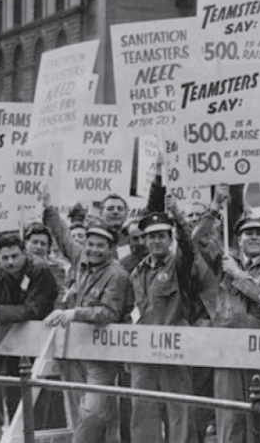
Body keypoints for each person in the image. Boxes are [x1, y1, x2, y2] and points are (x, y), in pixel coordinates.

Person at [44, 189, 131, 443]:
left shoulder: (117, 275)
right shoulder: (81, 257)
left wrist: (73, 313)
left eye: (100, 246)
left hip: (100, 354)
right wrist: (49, 207)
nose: (93, 250)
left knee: (92, 412)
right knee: (81, 410)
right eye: (90, 244)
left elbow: (109, 312)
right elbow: (62, 235)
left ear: (111, 248)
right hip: (74, 351)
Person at [194, 211, 260, 443]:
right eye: (247, 233)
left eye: (259, 233)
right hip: (227, 351)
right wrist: (213, 208)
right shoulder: (223, 262)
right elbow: (198, 239)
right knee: (229, 417)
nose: (253, 237)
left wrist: (237, 273)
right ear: (238, 239)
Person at [128, 199, 199, 443]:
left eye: (161, 236)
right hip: (143, 351)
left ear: (170, 238)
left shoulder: (178, 264)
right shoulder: (137, 272)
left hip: (174, 348)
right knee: (143, 410)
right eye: (151, 237)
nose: (156, 241)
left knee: (180, 410)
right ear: (144, 240)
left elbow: (189, 249)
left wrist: (178, 217)